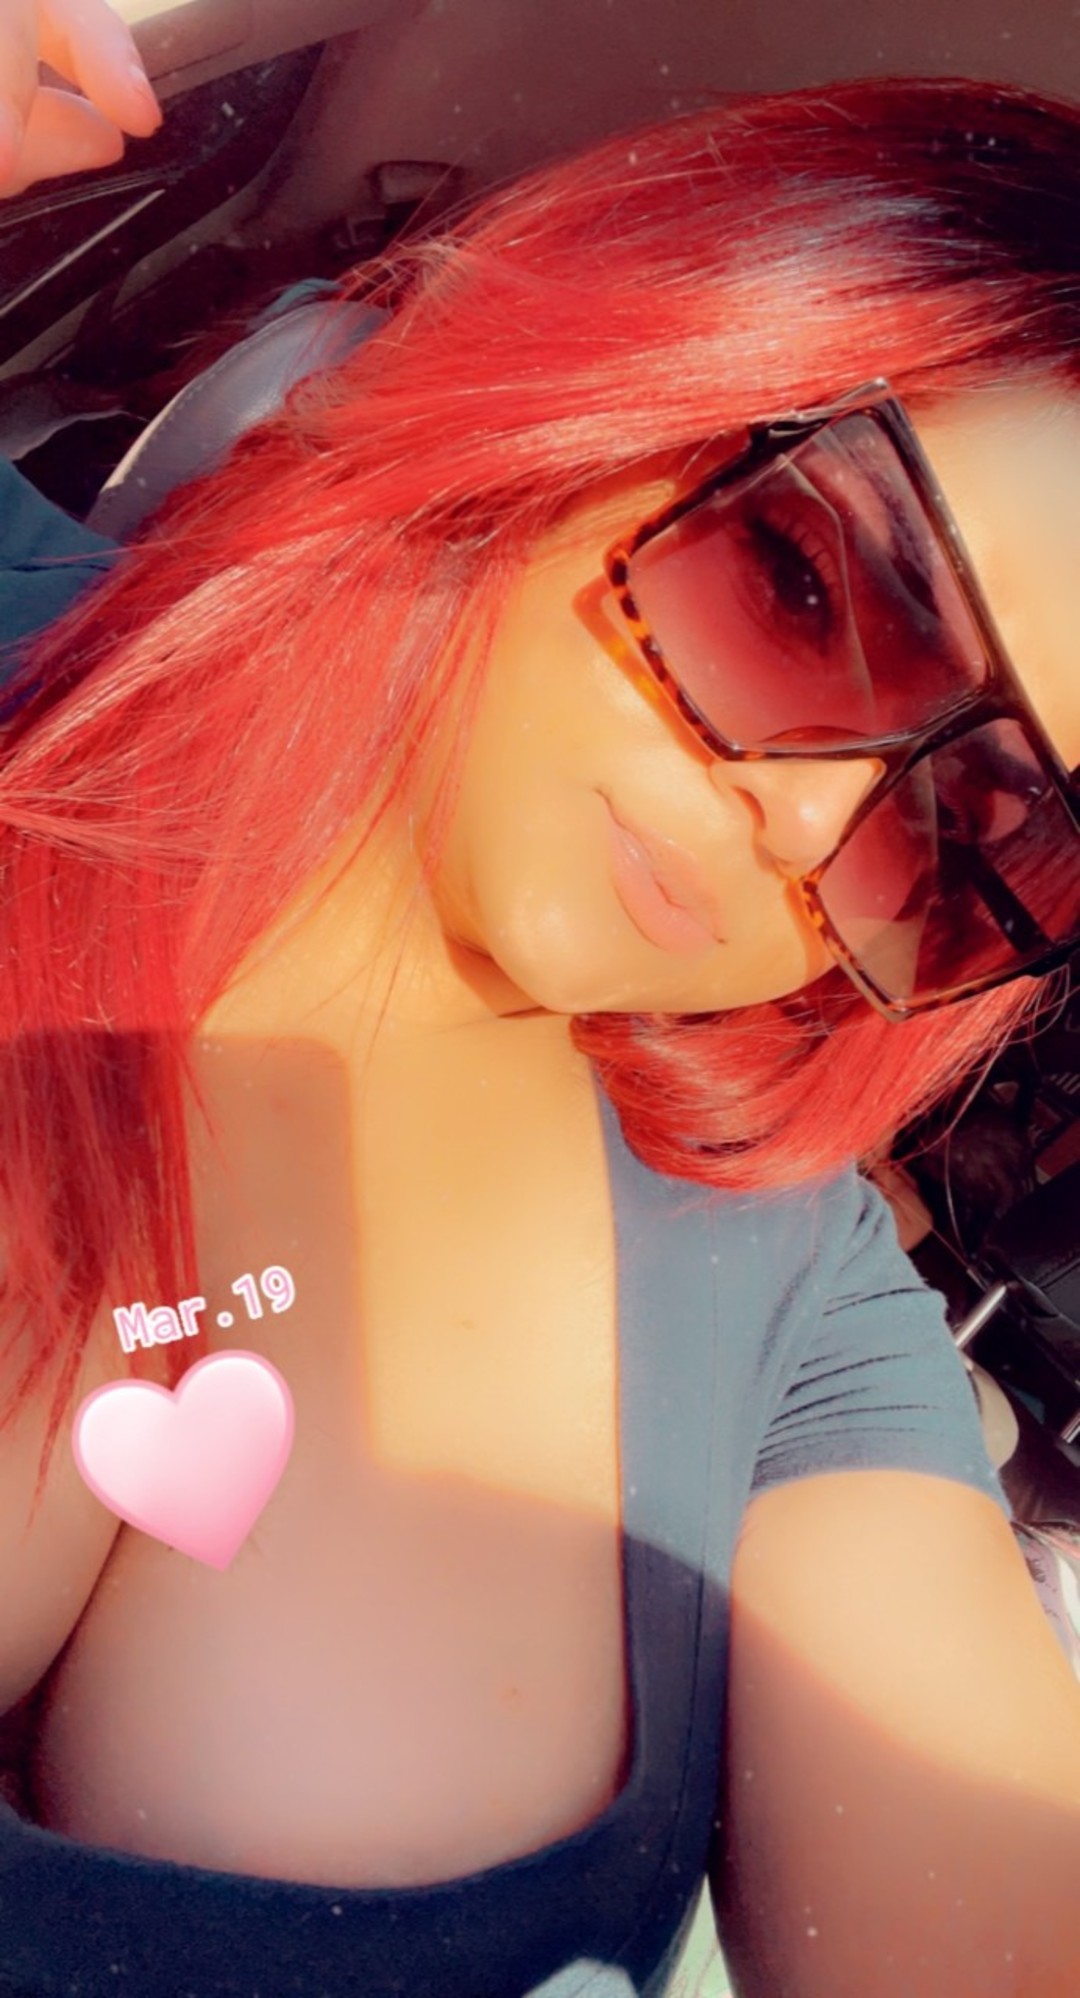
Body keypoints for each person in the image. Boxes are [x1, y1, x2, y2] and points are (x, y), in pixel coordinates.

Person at [0, 3, 1079, 1994]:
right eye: (815, 591)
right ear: (601, 375)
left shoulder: (801, 1301)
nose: (809, 822)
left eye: (966, 829)